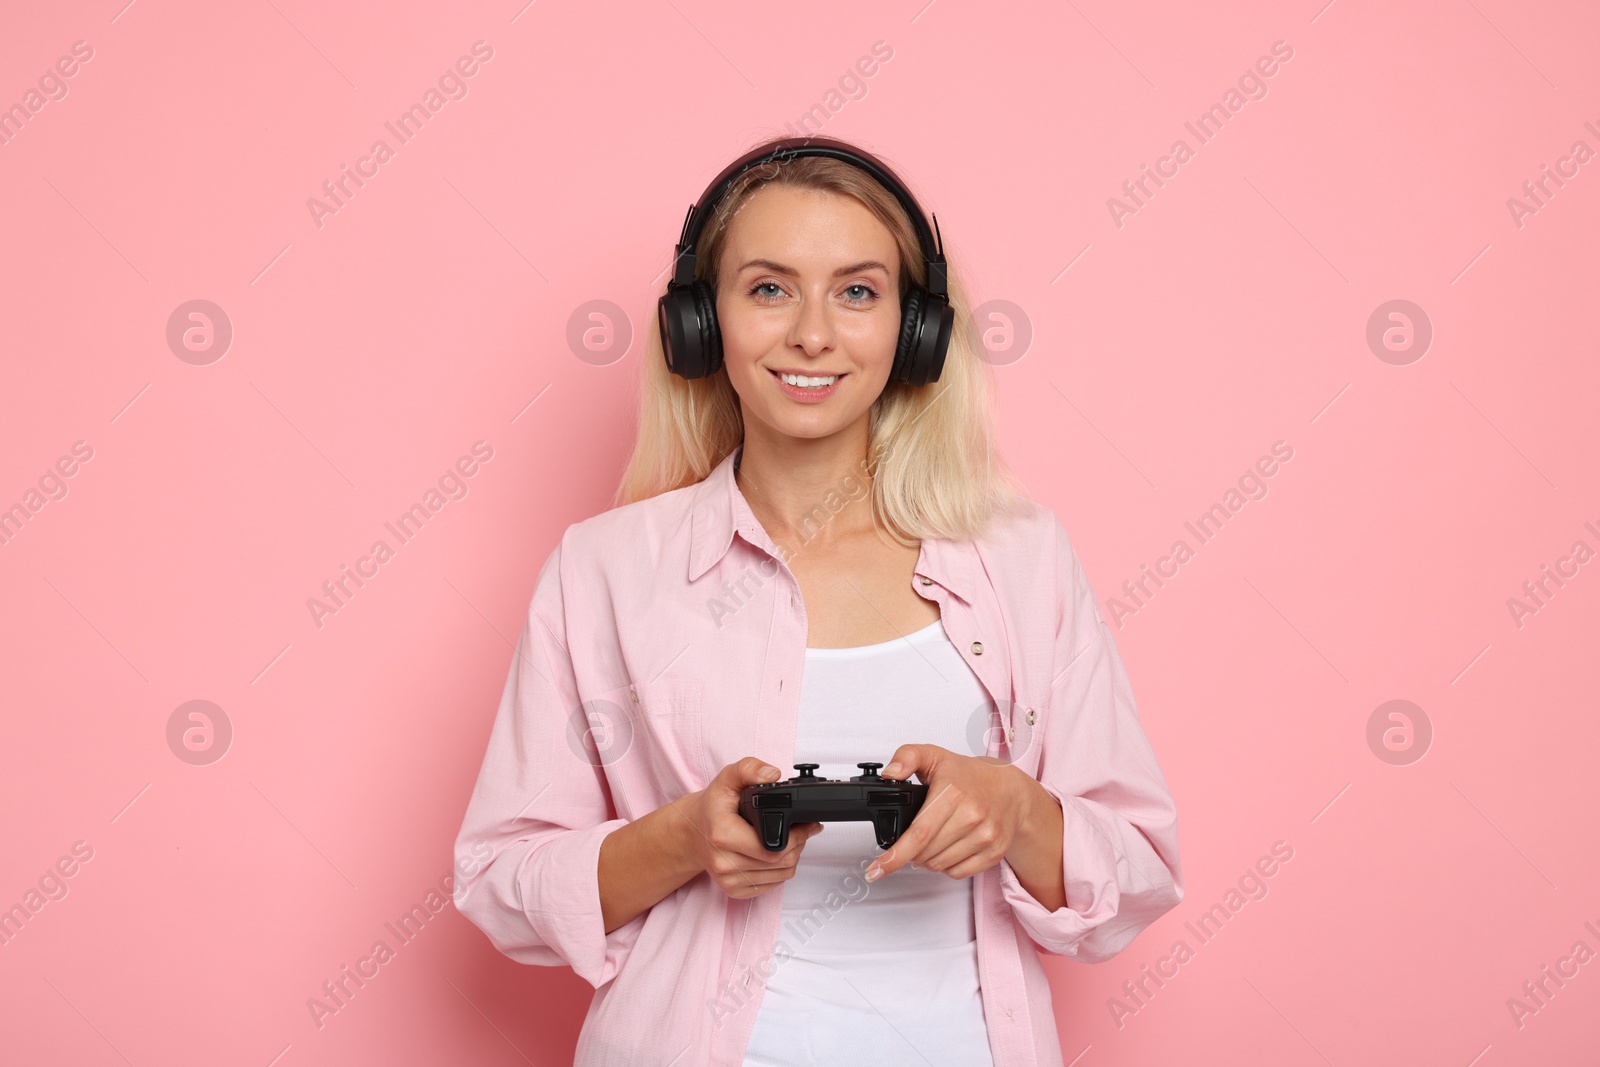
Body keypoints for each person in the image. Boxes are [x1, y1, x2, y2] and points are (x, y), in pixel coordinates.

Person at [453, 134, 1184, 1066]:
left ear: (916, 331)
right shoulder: (601, 570)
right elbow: (497, 877)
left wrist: (1018, 811)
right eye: (768, 288)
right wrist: (680, 839)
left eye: (858, 291)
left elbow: (1141, 867)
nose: (812, 333)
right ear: (700, 324)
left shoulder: (1024, 557)